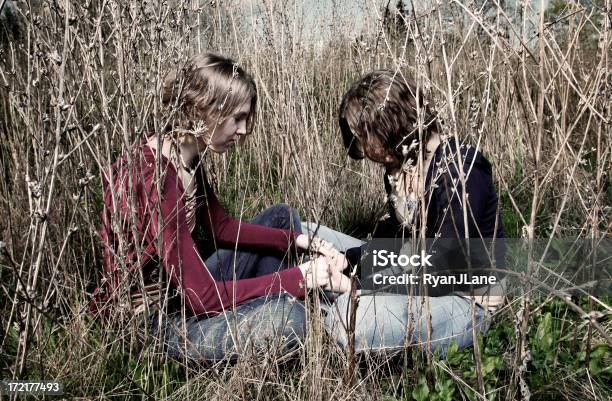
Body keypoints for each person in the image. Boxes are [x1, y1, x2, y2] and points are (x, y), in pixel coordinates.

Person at [89, 53, 351, 362]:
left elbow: (221, 228)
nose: (242, 131)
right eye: (236, 118)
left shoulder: (186, 158)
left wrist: (300, 240)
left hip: (185, 293)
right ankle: (316, 300)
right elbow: (202, 297)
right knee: (289, 319)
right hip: (155, 322)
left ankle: (318, 290)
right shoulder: (155, 180)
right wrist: (300, 277)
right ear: (202, 109)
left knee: (282, 217)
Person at [324, 70, 507, 358]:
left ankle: (329, 302)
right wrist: (348, 259)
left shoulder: (460, 168)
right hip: (413, 276)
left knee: (346, 319)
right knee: (309, 234)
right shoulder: (398, 167)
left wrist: (356, 284)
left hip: (465, 299)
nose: (361, 148)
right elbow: (402, 247)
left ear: (388, 122)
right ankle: (324, 289)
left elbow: (444, 269)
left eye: (363, 136)